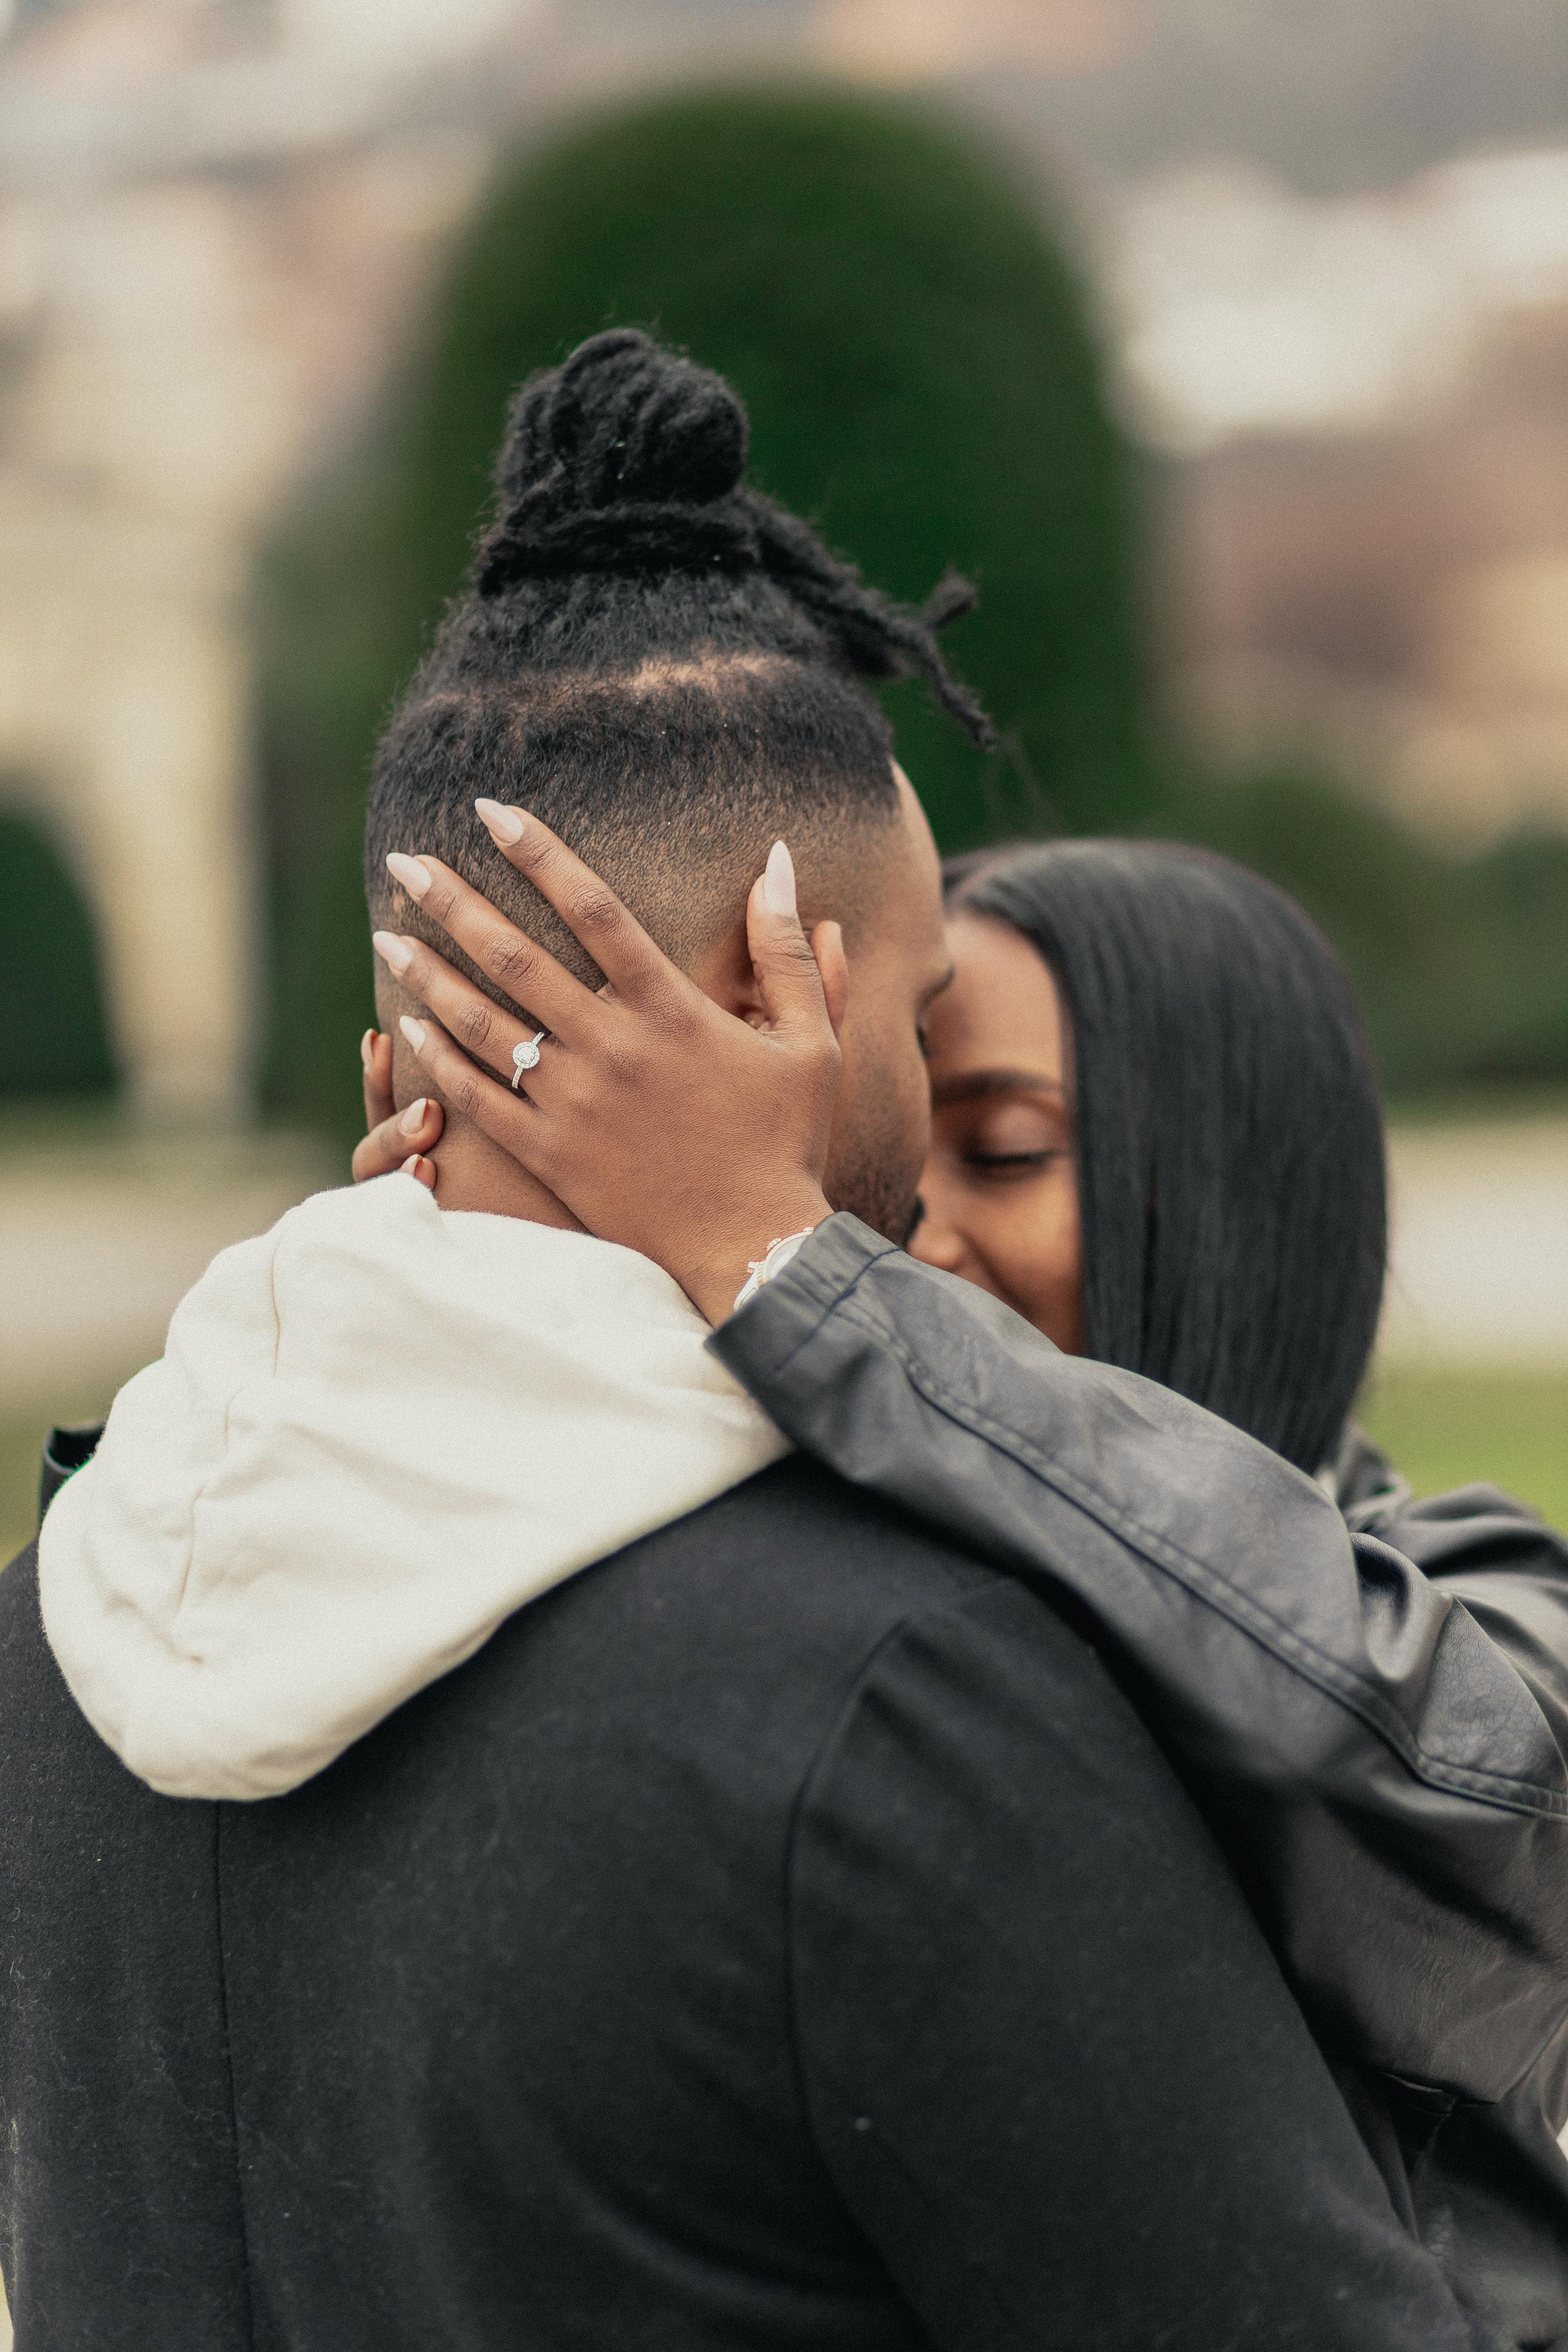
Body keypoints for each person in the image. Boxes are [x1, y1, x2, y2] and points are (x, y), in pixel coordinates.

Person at [2, 330, 1499, 2348]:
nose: (934, 1136)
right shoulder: (901, 1688)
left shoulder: (53, 1631)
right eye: (916, 1009)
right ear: (773, 996)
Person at [353, 821, 1568, 2349]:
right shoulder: (823, 1607)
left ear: (1240, 1195)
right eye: (877, 1155)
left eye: (997, 1148)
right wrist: (449, 1277)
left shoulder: (1484, 1607)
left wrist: (784, 1260)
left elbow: (1475, 1812)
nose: (906, 1229)